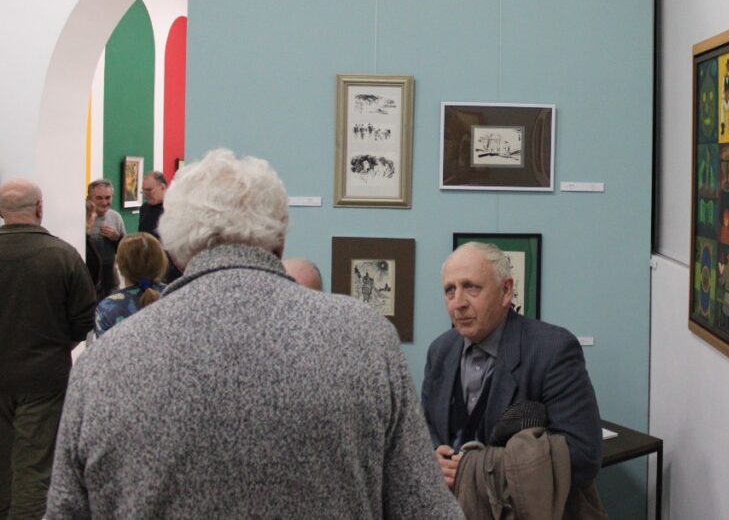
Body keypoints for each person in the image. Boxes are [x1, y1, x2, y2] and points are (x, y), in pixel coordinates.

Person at [46, 149, 461, 518]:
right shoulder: (365, 339)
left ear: (172, 249)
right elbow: (424, 507)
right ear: (280, 237)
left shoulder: (104, 363)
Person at [421, 242, 603, 498]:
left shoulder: (552, 350)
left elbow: (582, 456)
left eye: (471, 287)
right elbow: (426, 428)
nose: (458, 303)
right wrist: (431, 459)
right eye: (450, 290)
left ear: (506, 290)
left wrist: (476, 473)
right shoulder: (440, 350)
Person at [0, 179, 95, 519]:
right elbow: (84, 320)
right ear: (40, 208)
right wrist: (56, 346)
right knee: (34, 467)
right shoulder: (62, 256)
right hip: (44, 378)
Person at [93, 233, 168, 338]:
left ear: (120, 266)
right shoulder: (177, 294)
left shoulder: (108, 308)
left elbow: (103, 348)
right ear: (162, 262)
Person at [138, 171, 182, 282]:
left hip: (171, 269)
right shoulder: (144, 209)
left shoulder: (176, 208)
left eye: (149, 190)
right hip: (149, 268)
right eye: (143, 191)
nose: (146, 194)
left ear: (162, 187)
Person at [87, 179, 125, 298]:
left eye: (108, 198)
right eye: (99, 198)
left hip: (110, 281)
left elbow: (125, 251)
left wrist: (117, 238)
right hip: (88, 282)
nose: (104, 202)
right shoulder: (82, 217)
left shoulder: (116, 217)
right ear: (89, 198)